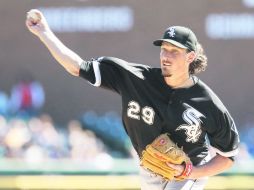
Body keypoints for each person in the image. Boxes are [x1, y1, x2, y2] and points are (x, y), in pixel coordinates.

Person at [26, 9, 240, 190]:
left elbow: (228, 157)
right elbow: (78, 67)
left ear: (190, 56)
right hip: (149, 171)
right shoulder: (137, 79)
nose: (166, 55)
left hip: (189, 172)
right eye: (164, 49)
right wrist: (44, 32)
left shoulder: (208, 103)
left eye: (174, 50)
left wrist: (192, 171)